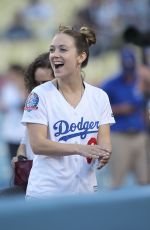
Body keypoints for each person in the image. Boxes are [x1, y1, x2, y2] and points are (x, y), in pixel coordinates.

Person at [21, 25, 115, 199]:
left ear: (81, 56)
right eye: (52, 49)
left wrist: (105, 153)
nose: (54, 54)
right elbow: (37, 145)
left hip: (85, 191)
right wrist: (80, 149)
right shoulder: (39, 95)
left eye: (62, 49)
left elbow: (105, 141)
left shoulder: (99, 96)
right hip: (46, 193)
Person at [0, 52, 54, 198]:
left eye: (46, 83)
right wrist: (21, 156)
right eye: (37, 83)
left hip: (54, 183)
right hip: (12, 134)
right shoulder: (32, 100)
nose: (40, 88)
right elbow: (25, 140)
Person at [101, 46, 148, 188]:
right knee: (117, 181)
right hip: (119, 136)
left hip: (140, 135)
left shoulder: (140, 81)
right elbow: (98, 110)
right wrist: (119, 109)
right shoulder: (110, 84)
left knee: (145, 180)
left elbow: (143, 104)